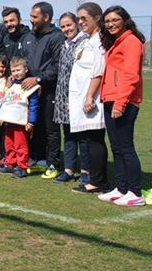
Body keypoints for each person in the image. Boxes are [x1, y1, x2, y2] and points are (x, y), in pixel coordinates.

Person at [97, 6, 146, 206]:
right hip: (110, 99)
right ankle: (121, 188)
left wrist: (120, 103)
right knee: (116, 147)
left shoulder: (131, 41)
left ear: (125, 20)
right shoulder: (115, 42)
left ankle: (135, 192)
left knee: (125, 147)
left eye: (115, 20)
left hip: (123, 101)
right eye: (107, 21)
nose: (110, 24)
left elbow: (131, 76)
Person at [23, 2, 65, 177]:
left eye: (35, 16)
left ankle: (53, 163)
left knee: (51, 128)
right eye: (31, 16)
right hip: (30, 91)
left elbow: (58, 66)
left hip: (49, 90)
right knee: (35, 125)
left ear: (46, 17)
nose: (31, 20)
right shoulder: (29, 37)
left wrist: (38, 79)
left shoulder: (57, 37)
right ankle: (38, 159)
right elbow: (24, 61)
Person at [70, 3, 108, 194]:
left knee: (95, 139)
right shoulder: (87, 39)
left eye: (85, 18)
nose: (81, 21)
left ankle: (98, 181)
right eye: (79, 18)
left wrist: (89, 96)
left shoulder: (99, 41)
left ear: (97, 18)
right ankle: (95, 178)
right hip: (82, 97)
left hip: (92, 98)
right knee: (89, 138)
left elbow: (98, 71)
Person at [52, 13, 87, 182]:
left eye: (69, 25)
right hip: (63, 96)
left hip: (78, 97)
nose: (66, 29)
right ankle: (69, 169)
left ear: (76, 24)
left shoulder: (84, 43)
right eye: (63, 26)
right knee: (68, 135)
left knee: (83, 137)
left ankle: (86, 172)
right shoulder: (64, 45)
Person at [0, 57, 40, 179]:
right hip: (9, 121)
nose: (16, 73)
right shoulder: (11, 84)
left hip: (21, 122)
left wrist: (31, 122)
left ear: (26, 69)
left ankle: (22, 167)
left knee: (20, 145)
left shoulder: (30, 86)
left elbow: (33, 106)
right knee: (9, 144)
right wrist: (1, 115)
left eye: (18, 70)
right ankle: (11, 163)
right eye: (13, 71)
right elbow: (6, 101)